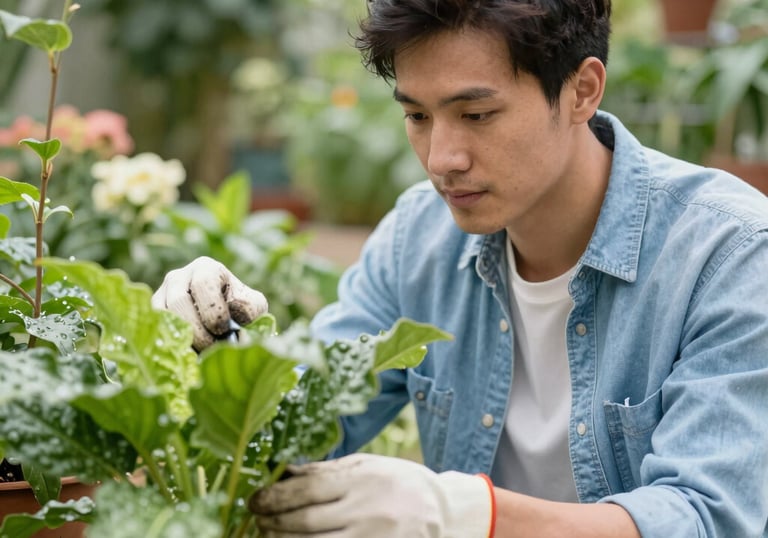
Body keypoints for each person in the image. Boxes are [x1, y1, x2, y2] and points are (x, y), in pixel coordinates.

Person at [151, 0, 768, 536]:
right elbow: (304, 423)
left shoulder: (728, 252)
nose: (441, 159)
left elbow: (706, 518)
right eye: (418, 116)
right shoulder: (418, 237)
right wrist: (215, 346)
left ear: (582, 90)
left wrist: (469, 517)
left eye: (476, 115)